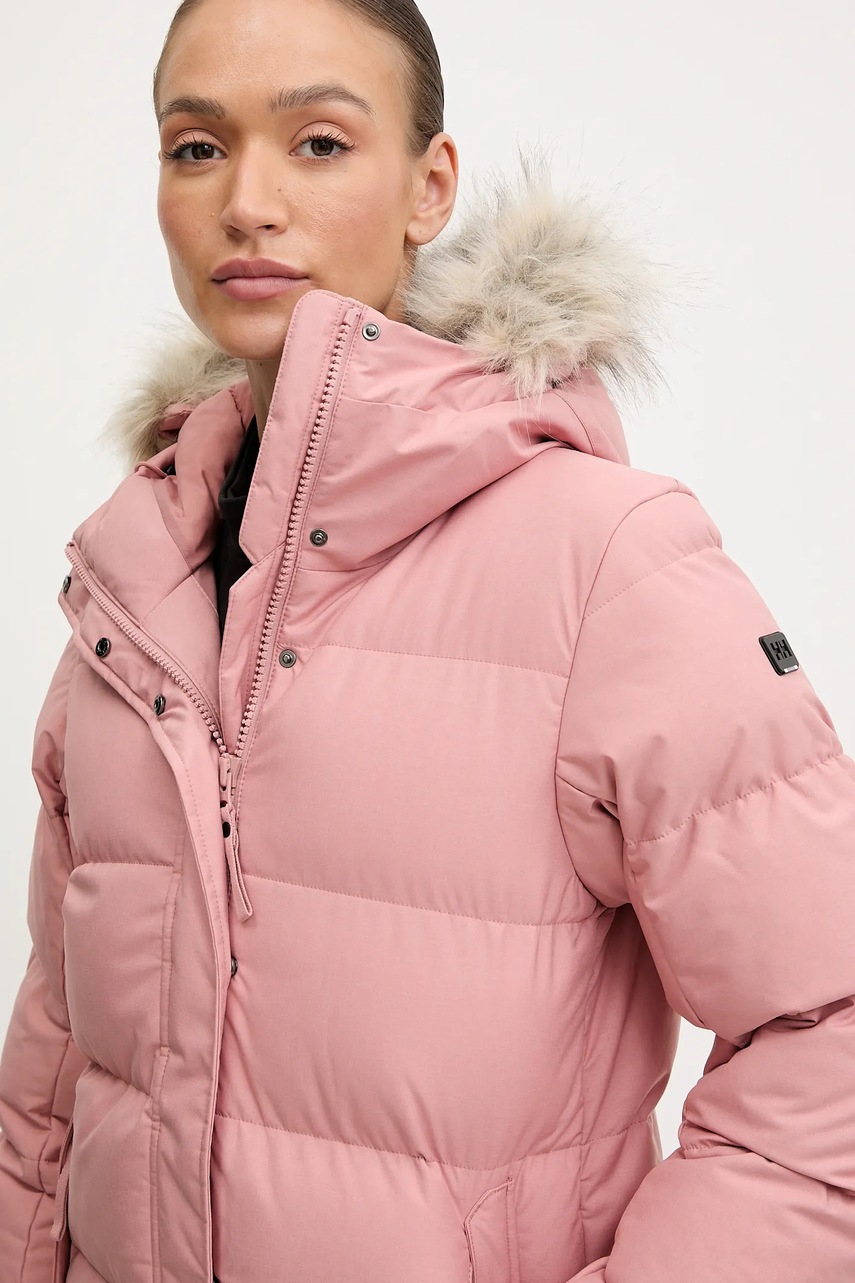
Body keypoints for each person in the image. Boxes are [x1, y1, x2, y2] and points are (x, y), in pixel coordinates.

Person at [1, 0, 853, 1279]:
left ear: (430, 186)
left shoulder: (605, 561)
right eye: (197, 148)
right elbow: (59, 1056)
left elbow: (830, 1025)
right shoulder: (135, 581)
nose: (248, 203)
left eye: (320, 143)